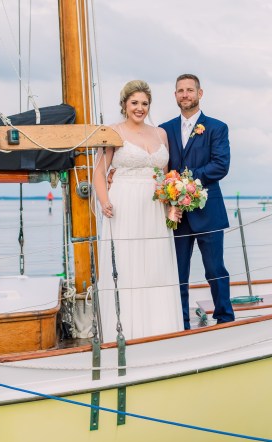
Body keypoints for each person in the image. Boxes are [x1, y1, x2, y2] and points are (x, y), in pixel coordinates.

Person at [93, 80, 183, 342]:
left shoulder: (160, 134)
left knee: (156, 265)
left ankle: (160, 329)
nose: (140, 108)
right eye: (135, 103)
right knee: (127, 263)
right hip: (124, 203)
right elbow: (99, 171)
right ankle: (124, 332)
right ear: (124, 105)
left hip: (154, 207)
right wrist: (103, 200)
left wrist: (171, 206)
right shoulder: (112, 131)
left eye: (144, 103)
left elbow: (166, 176)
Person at [159, 74, 235, 330]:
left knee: (215, 268)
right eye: (180, 90)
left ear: (200, 94)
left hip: (208, 210)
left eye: (190, 90)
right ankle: (181, 321)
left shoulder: (216, 127)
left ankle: (225, 317)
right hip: (176, 214)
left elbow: (220, 166)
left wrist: (187, 181)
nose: (185, 95)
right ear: (175, 95)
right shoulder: (164, 129)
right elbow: (160, 165)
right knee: (178, 272)